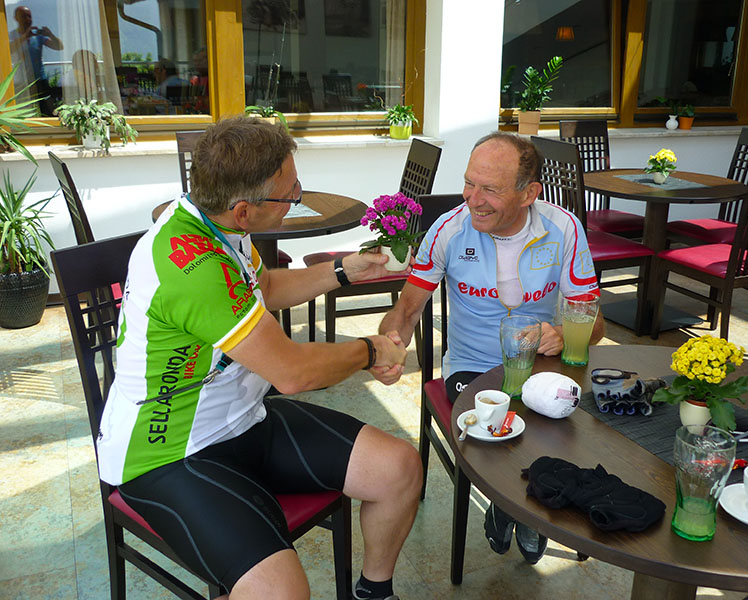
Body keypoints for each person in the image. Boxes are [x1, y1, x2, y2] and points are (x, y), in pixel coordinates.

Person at [104, 115, 422, 600]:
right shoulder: (192, 265)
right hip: (168, 453)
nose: (297, 199)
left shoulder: (214, 221)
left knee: (399, 468)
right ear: (244, 210)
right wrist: (369, 349)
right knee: (280, 593)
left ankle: (374, 594)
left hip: (243, 419)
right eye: (290, 195)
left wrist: (343, 270)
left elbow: (265, 287)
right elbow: (292, 372)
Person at [377, 131, 605, 565]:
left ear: (529, 193)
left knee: (565, 425)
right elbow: (407, 309)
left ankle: (525, 508)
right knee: (502, 426)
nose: (473, 199)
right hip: (473, 368)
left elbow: (593, 322)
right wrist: (389, 342)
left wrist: (562, 331)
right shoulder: (448, 228)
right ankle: (520, 506)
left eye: (490, 189)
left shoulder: (563, 228)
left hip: (543, 363)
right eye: (469, 183)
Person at [9, 5, 63, 115]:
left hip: (40, 79)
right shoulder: (12, 36)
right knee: (22, 111)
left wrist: (50, 34)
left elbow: (59, 47)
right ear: (16, 18)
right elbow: (8, 50)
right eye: (24, 16)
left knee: (47, 110)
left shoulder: (38, 37)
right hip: (21, 81)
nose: (28, 19)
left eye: (29, 16)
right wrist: (24, 37)